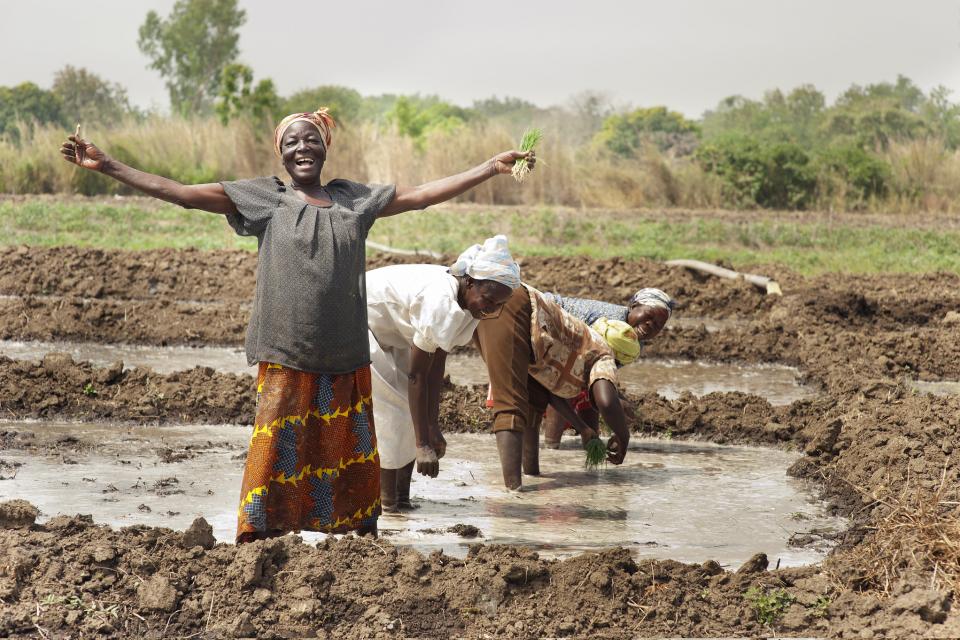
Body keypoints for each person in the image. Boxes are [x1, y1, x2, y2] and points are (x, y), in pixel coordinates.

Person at [60, 108, 535, 542]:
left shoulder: (353, 199)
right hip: (287, 351)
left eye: (311, 139)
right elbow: (184, 195)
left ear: (326, 147)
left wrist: (489, 167)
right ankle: (259, 539)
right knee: (276, 451)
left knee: (348, 454)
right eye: (292, 142)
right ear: (280, 154)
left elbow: (419, 197)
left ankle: (355, 541)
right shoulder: (266, 197)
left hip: (346, 356)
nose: (302, 147)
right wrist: (109, 166)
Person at [366, 235, 520, 512]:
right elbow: (417, 377)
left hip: (395, 333)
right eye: (488, 300)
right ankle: (387, 502)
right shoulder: (440, 301)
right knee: (394, 410)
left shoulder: (470, 305)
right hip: (357, 322)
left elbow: (436, 367)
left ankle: (402, 499)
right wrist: (422, 442)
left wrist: (432, 427)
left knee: (410, 411)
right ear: (470, 282)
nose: (492, 309)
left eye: (499, 305)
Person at [474, 284, 641, 490]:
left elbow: (550, 393)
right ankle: (513, 494)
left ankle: (531, 475)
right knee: (511, 403)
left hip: (500, 303)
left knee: (533, 403)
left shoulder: (581, 346)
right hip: (519, 305)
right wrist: (623, 436)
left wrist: (583, 429)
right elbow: (606, 401)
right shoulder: (604, 351)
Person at [542, 288, 674, 446]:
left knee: (588, 390)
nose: (650, 324)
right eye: (649, 315)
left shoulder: (634, 344)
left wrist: (615, 397)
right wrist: (616, 398)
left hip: (569, 353)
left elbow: (598, 374)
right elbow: (578, 366)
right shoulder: (611, 323)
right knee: (567, 387)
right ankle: (550, 449)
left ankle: (591, 447)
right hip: (544, 320)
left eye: (658, 325)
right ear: (633, 306)